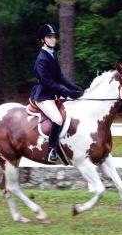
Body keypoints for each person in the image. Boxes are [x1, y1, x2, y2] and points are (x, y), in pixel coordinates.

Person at [30, 24, 83, 163]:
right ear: (42, 40)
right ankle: (51, 150)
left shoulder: (52, 54)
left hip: (52, 93)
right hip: (43, 96)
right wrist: (68, 93)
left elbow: (59, 76)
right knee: (58, 119)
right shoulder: (42, 59)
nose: (53, 39)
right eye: (49, 37)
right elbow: (49, 83)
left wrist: (75, 87)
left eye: (54, 37)